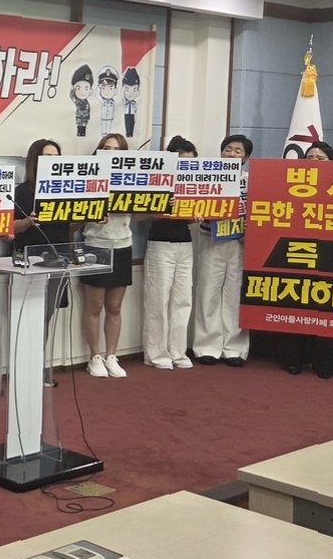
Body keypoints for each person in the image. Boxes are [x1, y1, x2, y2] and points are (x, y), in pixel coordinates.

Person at [11, 138, 71, 386]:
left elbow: (71, 224)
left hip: (58, 257)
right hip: (28, 260)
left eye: (56, 157)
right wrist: (28, 222)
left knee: (47, 315)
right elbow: (9, 227)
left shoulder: (66, 189)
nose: (52, 162)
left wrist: (92, 216)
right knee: (27, 315)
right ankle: (24, 368)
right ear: (35, 161)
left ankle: (39, 365)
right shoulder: (22, 191)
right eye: (47, 157)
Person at [193, 134, 253, 367]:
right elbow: (194, 202)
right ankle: (207, 346)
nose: (231, 154)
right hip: (211, 239)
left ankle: (235, 348)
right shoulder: (208, 176)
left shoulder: (252, 180)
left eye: (238, 151)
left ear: (246, 157)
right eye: (228, 149)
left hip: (240, 242)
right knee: (208, 293)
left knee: (234, 296)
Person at [283, 140, 333, 378]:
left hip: (332, 254)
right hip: (298, 251)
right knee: (295, 302)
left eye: (320, 158)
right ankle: (293, 358)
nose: (314, 162)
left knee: (328, 307)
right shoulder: (289, 185)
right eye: (309, 157)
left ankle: (325, 363)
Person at [142, 135, 198, 371]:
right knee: (158, 299)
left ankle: (178, 351)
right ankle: (156, 353)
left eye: (191, 162)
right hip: (160, 243)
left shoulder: (196, 183)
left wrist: (197, 214)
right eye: (182, 161)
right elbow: (140, 215)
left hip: (185, 243)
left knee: (183, 300)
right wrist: (163, 207)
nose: (187, 166)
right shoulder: (157, 182)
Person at [79, 133, 132, 378]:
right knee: (95, 306)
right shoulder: (88, 178)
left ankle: (112, 355)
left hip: (123, 245)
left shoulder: (132, 180)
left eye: (117, 150)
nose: (111, 153)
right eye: (107, 148)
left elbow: (142, 214)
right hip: (95, 245)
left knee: (115, 306)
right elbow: (75, 213)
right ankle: (95, 356)